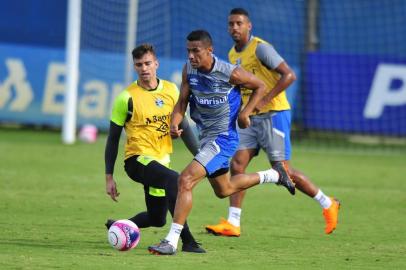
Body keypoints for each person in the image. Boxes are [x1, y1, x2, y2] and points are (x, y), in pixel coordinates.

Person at [148, 30, 295, 255]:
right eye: (188, 51)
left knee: (185, 180)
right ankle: (274, 175)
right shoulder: (189, 70)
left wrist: (246, 112)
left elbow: (260, 86)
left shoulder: (230, 72)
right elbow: (181, 102)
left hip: (223, 139)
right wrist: (174, 123)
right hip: (205, 138)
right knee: (224, 189)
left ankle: (171, 241)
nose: (191, 56)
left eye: (196, 51)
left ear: (209, 50)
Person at [205, 8, 341, 237]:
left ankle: (328, 203)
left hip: (274, 114)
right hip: (249, 116)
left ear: (249, 26)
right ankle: (233, 223)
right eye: (231, 24)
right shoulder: (231, 54)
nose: (235, 28)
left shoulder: (261, 48)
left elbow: (289, 75)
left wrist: (265, 99)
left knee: (284, 170)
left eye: (239, 23)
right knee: (237, 165)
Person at [104, 43, 205, 253]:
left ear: (156, 64)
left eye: (148, 63)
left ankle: (120, 227)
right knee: (175, 180)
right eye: (139, 64)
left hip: (161, 161)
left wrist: (201, 157)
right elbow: (113, 139)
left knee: (157, 218)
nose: (144, 68)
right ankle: (188, 242)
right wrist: (109, 176)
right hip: (137, 161)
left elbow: (183, 126)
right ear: (134, 67)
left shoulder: (170, 90)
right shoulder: (126, 98)